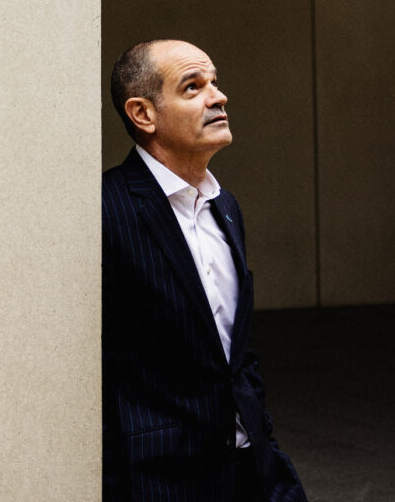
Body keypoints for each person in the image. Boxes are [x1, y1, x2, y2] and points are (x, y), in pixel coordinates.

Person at [102, 39, 307, 502]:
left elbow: (235, 349)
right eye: (192, 87)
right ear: (143, 114)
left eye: (214, 82)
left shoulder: (225, 206)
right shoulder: (106, 209)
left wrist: (263, 438)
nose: (218, 96)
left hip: (253, 468)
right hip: (159, 479)